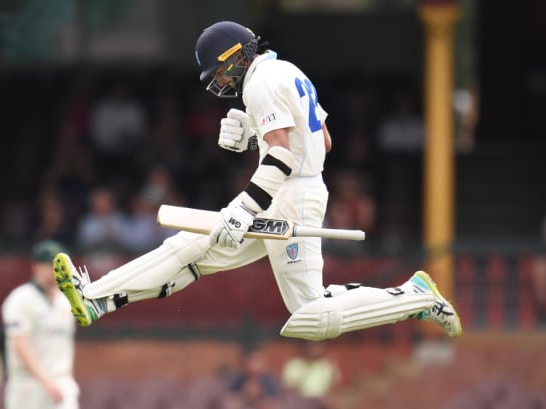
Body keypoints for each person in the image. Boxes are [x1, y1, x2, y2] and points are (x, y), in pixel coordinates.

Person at [52, 21, 462, 342]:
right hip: (288, 189)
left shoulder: (261, 82)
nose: (221, 82)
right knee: (189, 249)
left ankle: (416, 296)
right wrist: (254, 134)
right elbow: (322, 141)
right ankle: (96, 299)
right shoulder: (287, 72)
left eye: (220, 72)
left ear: (234, 59)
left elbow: (283, 154)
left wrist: (242, 208)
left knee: (310, 314)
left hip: (292, 194)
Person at [1, 240, 81, 409]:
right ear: (35, 266)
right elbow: (20, 345)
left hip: (62, 385)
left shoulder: (67, 302)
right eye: (49, 265)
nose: (55, 271)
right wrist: (46, 382)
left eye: (59, 266)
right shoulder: (20, 299)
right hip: (28, 385)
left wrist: (63, 382)